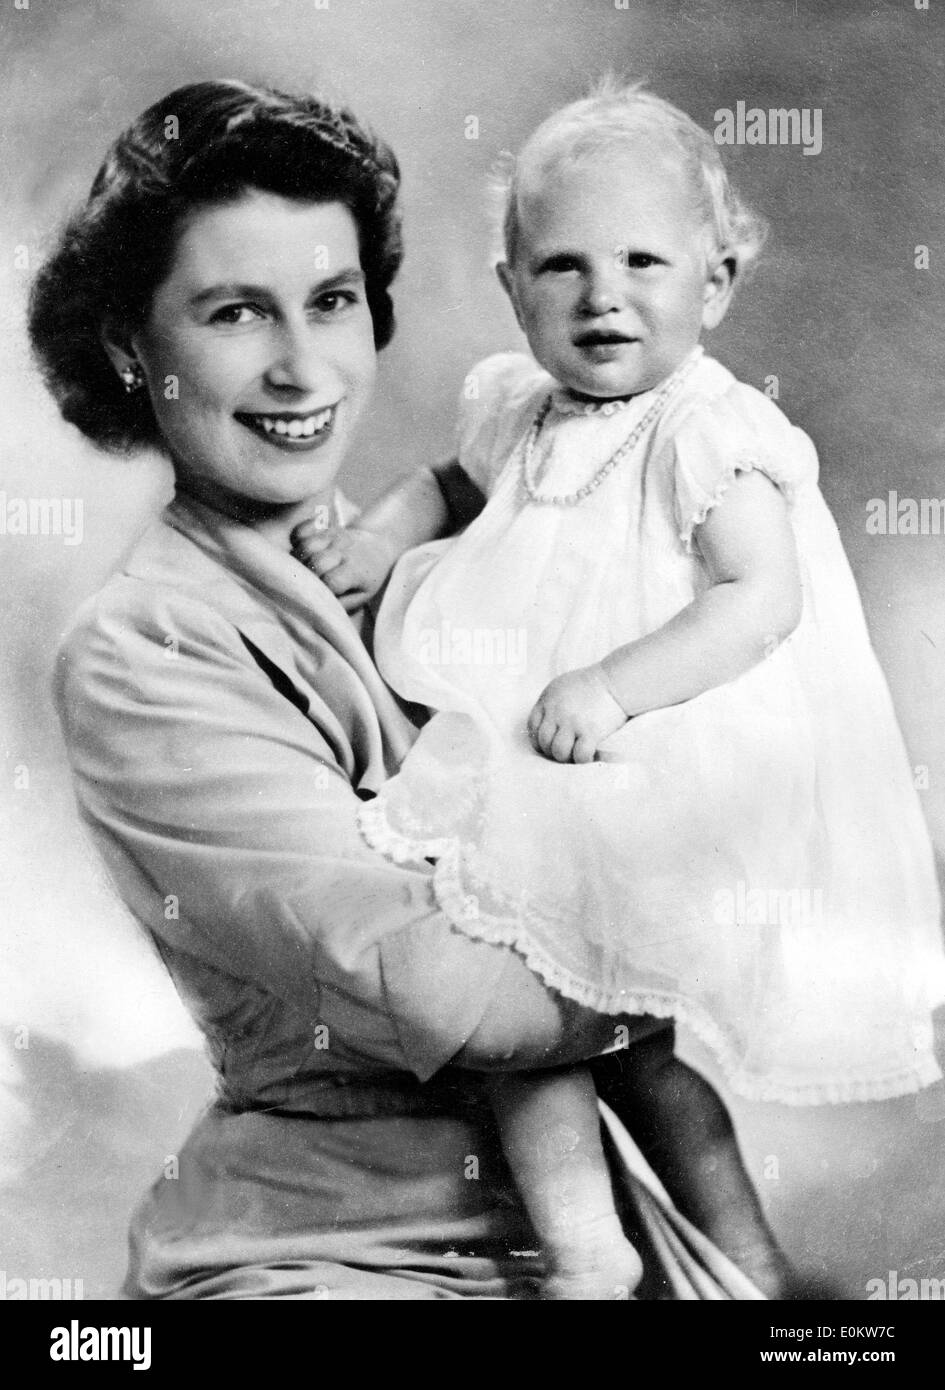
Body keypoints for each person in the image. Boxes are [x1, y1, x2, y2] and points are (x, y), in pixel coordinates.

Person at [33, 78, 796, 1301]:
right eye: (235, 313)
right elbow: (449, 996)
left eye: (331, 302)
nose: (300, 367)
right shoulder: (144, 653)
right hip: (330, 1255)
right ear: (133, 345)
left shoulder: (442, 576)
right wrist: (694, 930)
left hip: (581, 1234)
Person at [291, 84, 945, 1296]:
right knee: (582, 1034)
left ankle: (655, 1263)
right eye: (562, 267)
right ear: (511, 287)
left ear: (717, 282)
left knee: (555, 1020)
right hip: (535, 759)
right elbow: (449, 480)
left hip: (632, 772)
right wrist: (382, 540)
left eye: (645, 260)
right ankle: (669, 1256)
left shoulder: (707, 429)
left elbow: (762, 597)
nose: (603, 296)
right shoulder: (517, 405)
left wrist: (611, 686)